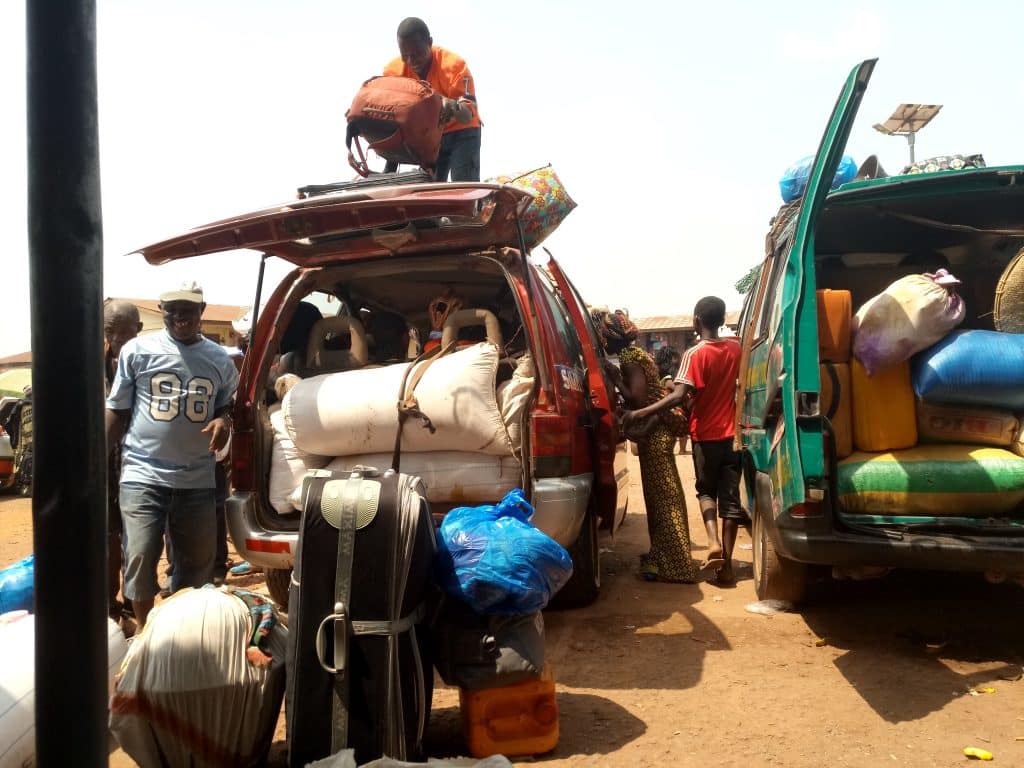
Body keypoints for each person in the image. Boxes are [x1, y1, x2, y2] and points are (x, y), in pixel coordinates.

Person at [105, 281, 239, 627]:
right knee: (139, 556)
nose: (180, 316)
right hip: (142, 474)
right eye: (172, 309)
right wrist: (94, 461)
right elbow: (118, 411)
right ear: (162, 312)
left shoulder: (220, 359)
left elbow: (228, 405)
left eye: (188, 309)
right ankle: (145, 637)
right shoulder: (137, 351)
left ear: (202, 311)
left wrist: (223, 420)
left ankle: (177, 638)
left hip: (196, 478)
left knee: (197, 567)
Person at [622, 296, 745, 586]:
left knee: (705, 492)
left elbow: (677, 396)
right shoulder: (737, 349)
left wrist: (638, 412)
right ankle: (725, 569)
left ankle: (713, 542)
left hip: (706, 435)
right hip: (735, 437)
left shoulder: (695, 354)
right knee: (731, 502)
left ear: (696, 320)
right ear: (723, 319)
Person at [618, 347, 700, 583]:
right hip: (656, 434)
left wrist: (617, 381)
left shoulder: (628, 357)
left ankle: (678, 567)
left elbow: (637, 398)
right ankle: (662, 558)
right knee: (660, 499)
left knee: (665, 499)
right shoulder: (636, 353)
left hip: (655, 437)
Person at [383, 17, 481, 181]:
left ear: (429, 42)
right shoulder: (392, 72)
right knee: (429, 190)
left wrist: (451, 105)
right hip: (431, 136)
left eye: (417, 54)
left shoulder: (454, 65)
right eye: (405, 56)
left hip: (463, 133)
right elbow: (392, 119)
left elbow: (467, 115)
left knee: (463, 189)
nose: (411, 61)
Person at [103, 300, 143, 623]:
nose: (117, 338)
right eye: (110, 331)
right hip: (103, 467)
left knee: (137, 536)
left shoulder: (146, 363)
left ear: (139, 331)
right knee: (107, 536)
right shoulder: (90, 366)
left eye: (124, 332)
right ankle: (109, 605)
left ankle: (133, 603)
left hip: (137, 465)